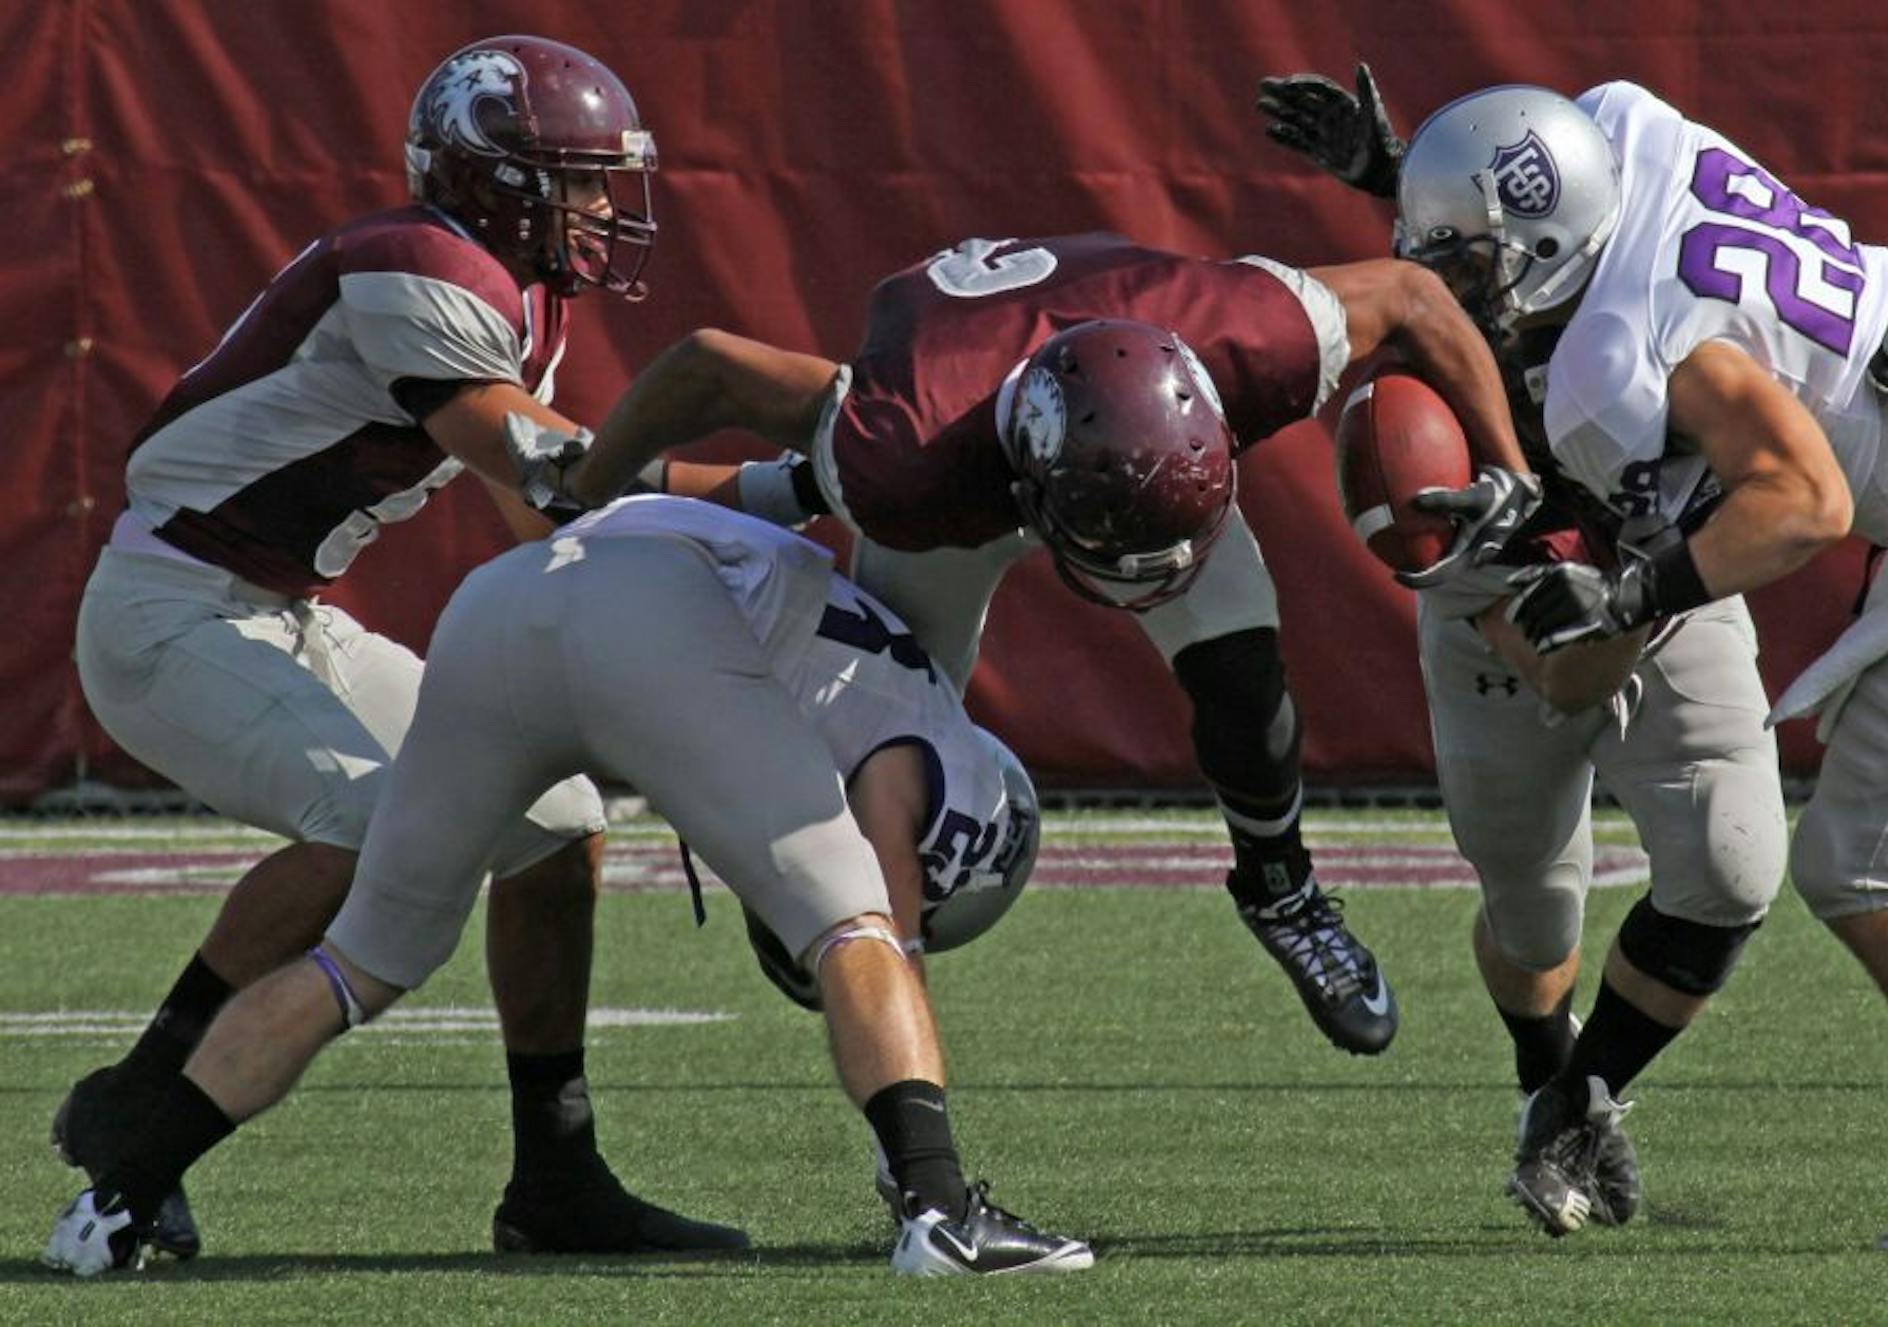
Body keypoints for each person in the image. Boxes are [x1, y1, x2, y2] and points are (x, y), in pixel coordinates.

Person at [1389, 78, 1888, 1250]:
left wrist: (1632, 591)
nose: (1455, 284)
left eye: (1472, 260)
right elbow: (1541, 199)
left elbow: (1807, 503)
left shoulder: (1622, 357)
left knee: (1856, 872)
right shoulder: (1632, 143)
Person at [57, 35, 735, 1256]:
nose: (600, 207)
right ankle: (140, 1104)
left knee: (557, 821)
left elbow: (548, 521)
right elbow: (550, 473)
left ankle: (557, 1177)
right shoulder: (415, 263)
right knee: (371, 831)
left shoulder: (519, 293)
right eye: (578, 180)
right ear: (497, 181)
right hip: (169, 607)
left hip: (285, 611)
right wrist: (780, 493)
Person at [43, 497, 1093, 1279]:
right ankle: (943, 1213)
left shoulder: (896, 670)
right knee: (851, 925)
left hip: (505, 597)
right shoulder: (924, 759)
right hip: (650, 615)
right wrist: (901, 1136)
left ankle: (117, 1201)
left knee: (361, 958)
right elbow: (883, 922)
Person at [560, 232, 1546, 1059]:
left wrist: (1516, 475)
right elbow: (712, 368)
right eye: (1121, 561)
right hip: (956, 444)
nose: (1148, 581)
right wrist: (590, 483)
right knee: (879, 774)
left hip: (1103, 424)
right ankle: (836, 925)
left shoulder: (1252, 332)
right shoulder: (908, 457)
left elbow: (1414, 294)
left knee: (1247, 682)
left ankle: (1282, 891)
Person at [1259, 68, 1790, 1237]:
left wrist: (1636, 584)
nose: (1428, 274)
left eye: (1463, 255)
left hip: (1664, 582)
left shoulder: (1660, 312)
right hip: (1496, 599)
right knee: (1535, 909)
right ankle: (1544, 1064)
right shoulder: (1461, 313)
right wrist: (1399, 177)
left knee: (1733, 863)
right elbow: (1492, 593)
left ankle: (1574, 1108)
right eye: (1423, 239)